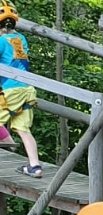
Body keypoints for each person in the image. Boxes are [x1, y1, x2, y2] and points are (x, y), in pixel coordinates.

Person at [0, 2, 42, 176]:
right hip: (27, 89)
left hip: (11, 90)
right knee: (23, 129)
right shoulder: (20, 39)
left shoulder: (1, 41)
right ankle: (35, 166)